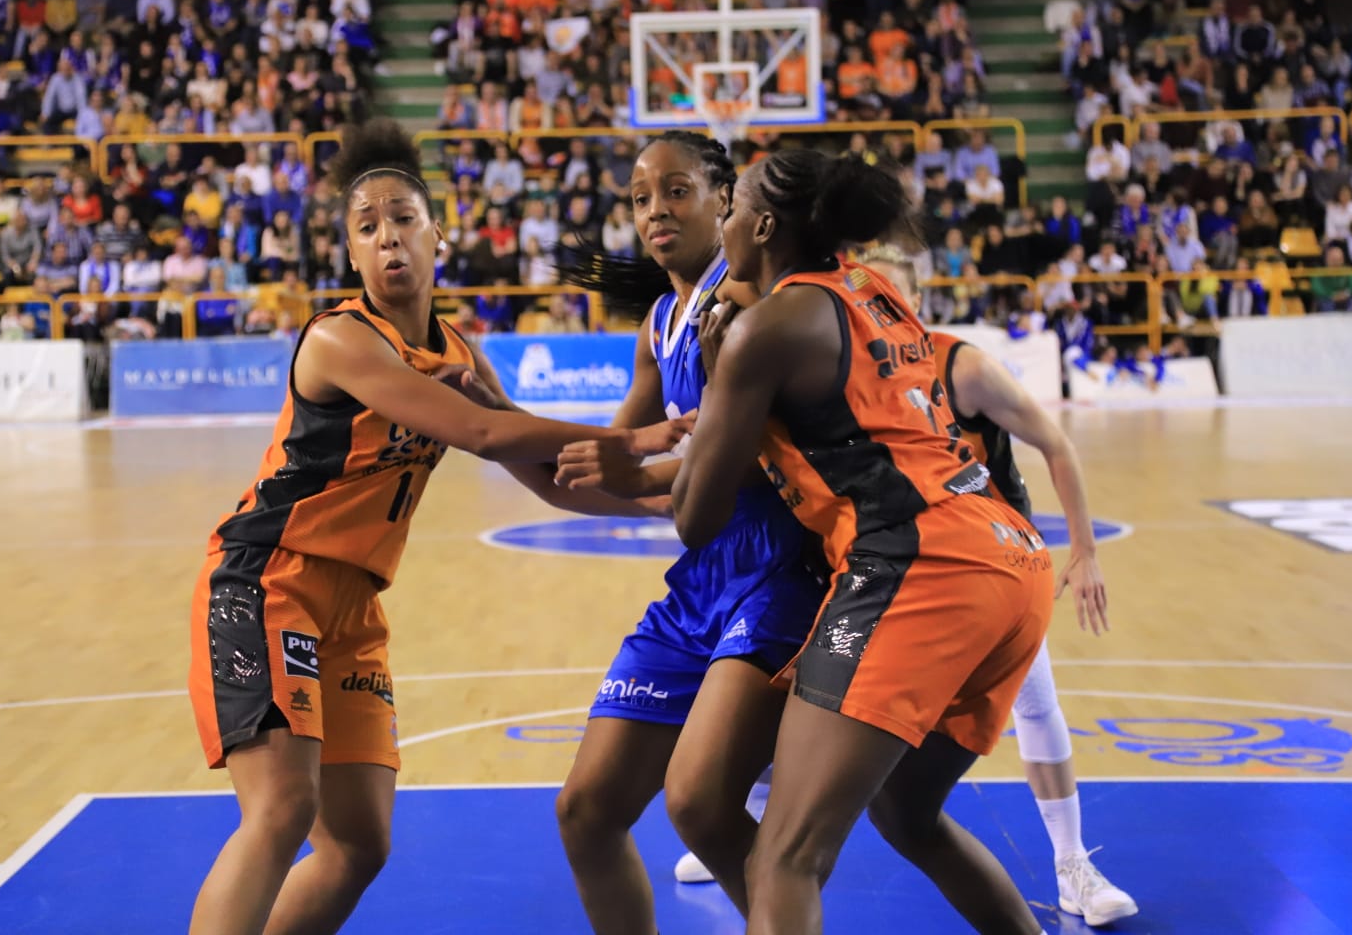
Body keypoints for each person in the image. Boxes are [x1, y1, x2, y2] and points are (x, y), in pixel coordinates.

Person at [185, 119, 684, 935]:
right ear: (351, 254)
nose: (388, 240)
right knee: (281, 810)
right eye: (368, 227)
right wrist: (632, 438)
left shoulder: (460, 349)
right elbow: (487, 434)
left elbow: (550, 480)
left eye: (403, 219)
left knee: (356, 842)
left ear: (438, 234)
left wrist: (668, 503)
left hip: (353, 607)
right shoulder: (340, 339)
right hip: (267, 581)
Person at [667, 150, 1054, 935]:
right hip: (1011, 557)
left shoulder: (763, 334)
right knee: (909, 815)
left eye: (734, 205)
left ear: (765, 225)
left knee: (782, 859)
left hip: (918, 568)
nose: (725, 223)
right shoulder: (873, 289)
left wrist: (717, 385)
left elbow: (693, 519)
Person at [549, 131, 829, 931]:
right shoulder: (661, 322)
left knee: (701, 803)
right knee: (586, 811)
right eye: (640, 198)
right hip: (702, 579)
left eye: (676, 191)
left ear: (724, 199)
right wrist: (490, 414)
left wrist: (631, 472)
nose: (655, 211)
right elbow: (605, 457)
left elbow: (727, 458)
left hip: (779, 571)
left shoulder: (744, 303)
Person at [857, 244, 1138, 926]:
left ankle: (1073, 864)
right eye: (867, 303)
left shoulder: (964, 368)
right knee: (819, 688)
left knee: (1036, 704)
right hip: (899, 566)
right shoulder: (848, 379)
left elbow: (1056, 443)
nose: (878, 315)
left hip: (992, 562)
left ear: (919, 303)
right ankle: (743, 821)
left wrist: (1086, 551)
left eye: (892, 300)